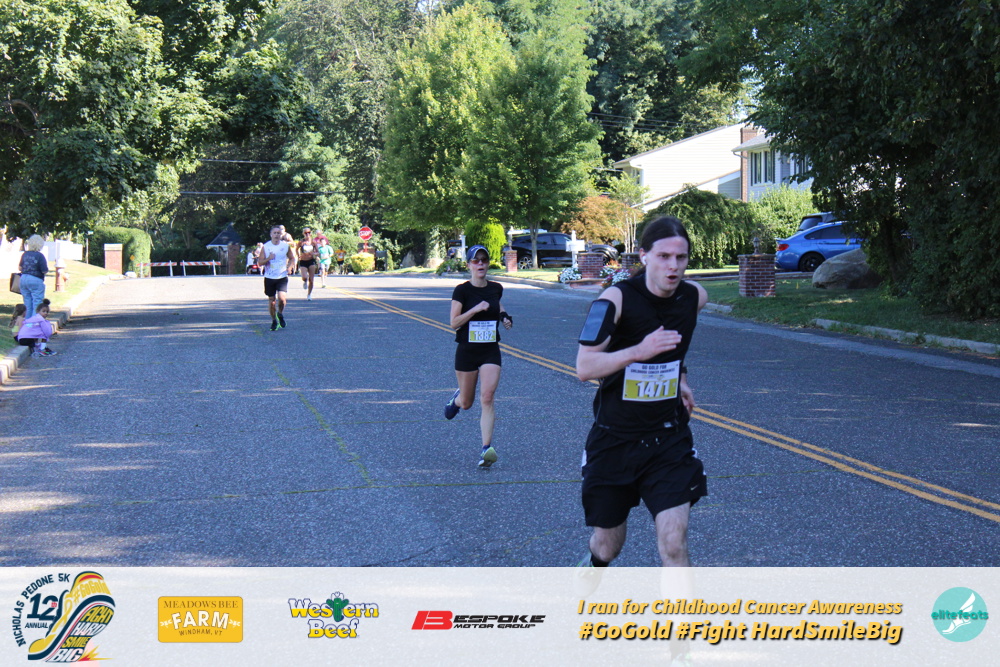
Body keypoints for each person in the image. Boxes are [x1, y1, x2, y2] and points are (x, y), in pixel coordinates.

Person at [575, 216, 708, 568]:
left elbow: (675, 345)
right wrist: (638, 351)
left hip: (668, 438)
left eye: (681, 257)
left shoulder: (694, 297)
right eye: (663, 256)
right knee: (608, 546)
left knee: (674, 543)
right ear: (644, 255)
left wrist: (680, 376)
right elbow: (584, 367)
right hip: (614, 439)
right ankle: (593, 566)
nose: (673, 266)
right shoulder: (614, 300)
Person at [444, 245, 513, 468]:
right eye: (476, 261)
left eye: (484, 260)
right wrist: (475, 309)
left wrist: (504, 316)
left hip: (490, 349)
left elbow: (496, 303)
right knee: (467, 403)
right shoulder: (462, 291)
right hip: (467, 351)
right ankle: (456, 400)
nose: (481, 264)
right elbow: (454, 322)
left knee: (488, 396)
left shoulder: (496, 288)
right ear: (469, 265)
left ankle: (486, 449)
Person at [256, 226, 296, 331]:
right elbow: (260, 263)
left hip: (282, 276)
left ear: (281, 235)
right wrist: (268, 258)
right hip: (269, 277)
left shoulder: (285, 246)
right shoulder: (266, 247)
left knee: (282, 299)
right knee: (272, 301)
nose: (277, 235)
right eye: (275, 233)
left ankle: (280, 313)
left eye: (278, 233)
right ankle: (274, 320)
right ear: (271, 234)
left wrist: (290, 267)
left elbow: (292, 258)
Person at [18, 235, 48, 317]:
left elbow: (20, 268)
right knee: (37, 304)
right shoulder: (40, 256)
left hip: (23, 279)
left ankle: (27, 322)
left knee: (27, 303)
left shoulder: (25, 254)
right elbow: (44, 270)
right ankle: (34, 322)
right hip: (35, 279)